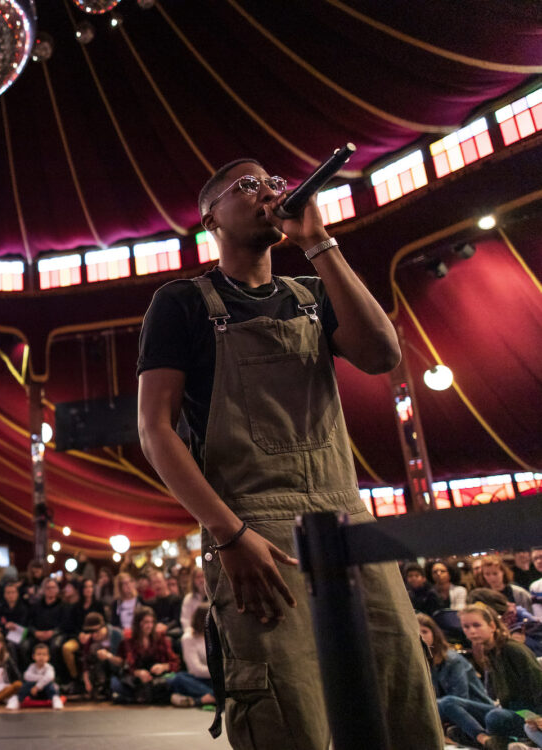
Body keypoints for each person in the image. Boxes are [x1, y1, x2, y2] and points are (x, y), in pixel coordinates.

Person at [136, 158, 439, 748]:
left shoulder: (314, 294)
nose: (269, 191)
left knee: (401, 697)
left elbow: (382, 355)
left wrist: (319, 242)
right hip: (255, 528)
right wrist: (229, 534)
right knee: (287, 711)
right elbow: (154, 431)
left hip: (350, 521)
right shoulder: (181, 304)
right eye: (246, 186)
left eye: (273, 182)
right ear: (209, 220)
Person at [438, 604, 542, 749]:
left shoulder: (513, 649)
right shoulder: (488, 652)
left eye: (476, 625)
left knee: (494, 717)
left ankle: (497, 743)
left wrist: (537, 718)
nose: (471, 631)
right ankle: (486, 740)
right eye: (466, 627)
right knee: (447, 703)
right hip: (509, 709)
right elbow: (495, 695)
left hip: (530, 713)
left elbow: (538, 684)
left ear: (492, 626)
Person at [416, 614, 488, 702]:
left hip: (474, 707)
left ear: (434, 634)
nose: (421, 637)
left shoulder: (452, 660)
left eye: (424, 632)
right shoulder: (420, 662)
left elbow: (460, 697)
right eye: (416, 632)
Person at [12, 641, 62, 710]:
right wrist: (41, 678)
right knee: (26, 684)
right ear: (33, 656)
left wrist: (37, 686)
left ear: (48, 657)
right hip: (34, 692)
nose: (41, 657)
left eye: (44, 654)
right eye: (39, 654)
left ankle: (55, 699)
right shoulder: (31, 666)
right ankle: (17, 699)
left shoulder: (49, 667)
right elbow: (26, 676)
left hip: (45, 692)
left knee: (50, 684)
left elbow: (50, 677)